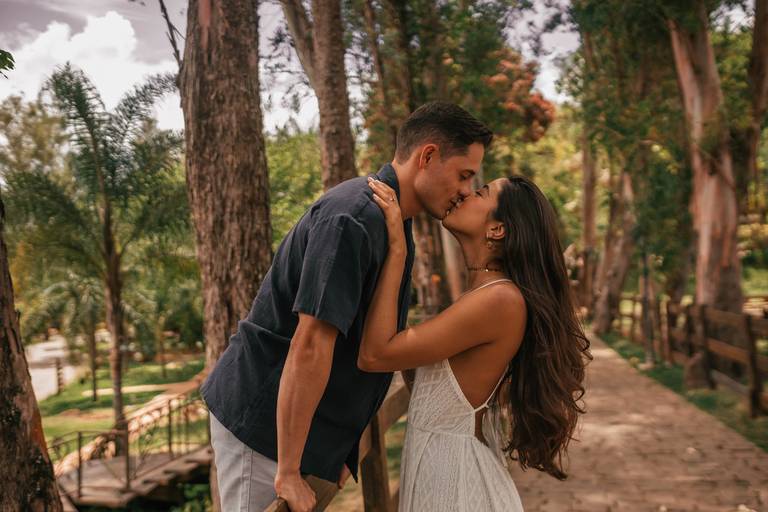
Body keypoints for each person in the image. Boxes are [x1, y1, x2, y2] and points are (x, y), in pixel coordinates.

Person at [200, 101, 493, 512]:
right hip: (263, 427)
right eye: (464, 175)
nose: (465, 190)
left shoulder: (394, 222)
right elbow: (311, 342)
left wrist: (341, 445)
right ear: (427, 156)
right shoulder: (353, 217)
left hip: (296, 434)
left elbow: (365, 340)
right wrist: (288, 470)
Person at [360, 175, 592, 511]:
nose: (465, 193)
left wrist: (397, 251)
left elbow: (375, 355)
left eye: (481, 192)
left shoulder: (499, 299)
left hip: (456, 483)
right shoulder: (485, 294)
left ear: (497, 229)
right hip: (443, 469)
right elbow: (424, 383)